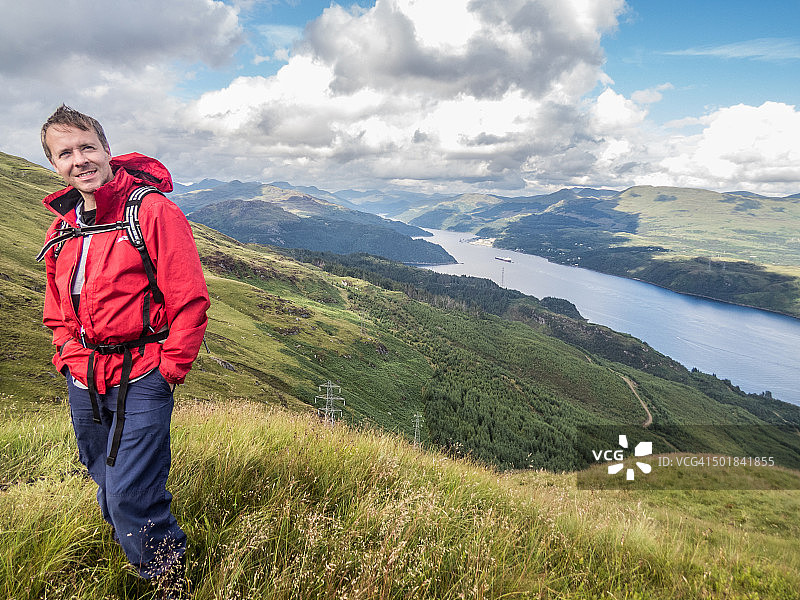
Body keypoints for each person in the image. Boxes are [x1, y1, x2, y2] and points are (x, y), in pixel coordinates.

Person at [39, 105, 209, 598]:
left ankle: (166, 583)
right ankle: (135, 560)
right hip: (85, 378)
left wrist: (168, 370)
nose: (79, 160)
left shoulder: (151, 211)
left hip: (143, 374)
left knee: (131, 492)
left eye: (87, 146)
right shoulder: (63, 229)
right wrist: (67, 357)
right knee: (106, 482)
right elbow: (58, 307)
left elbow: (189, 298)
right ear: (55, 165)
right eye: (64, 153)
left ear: (107, 150)